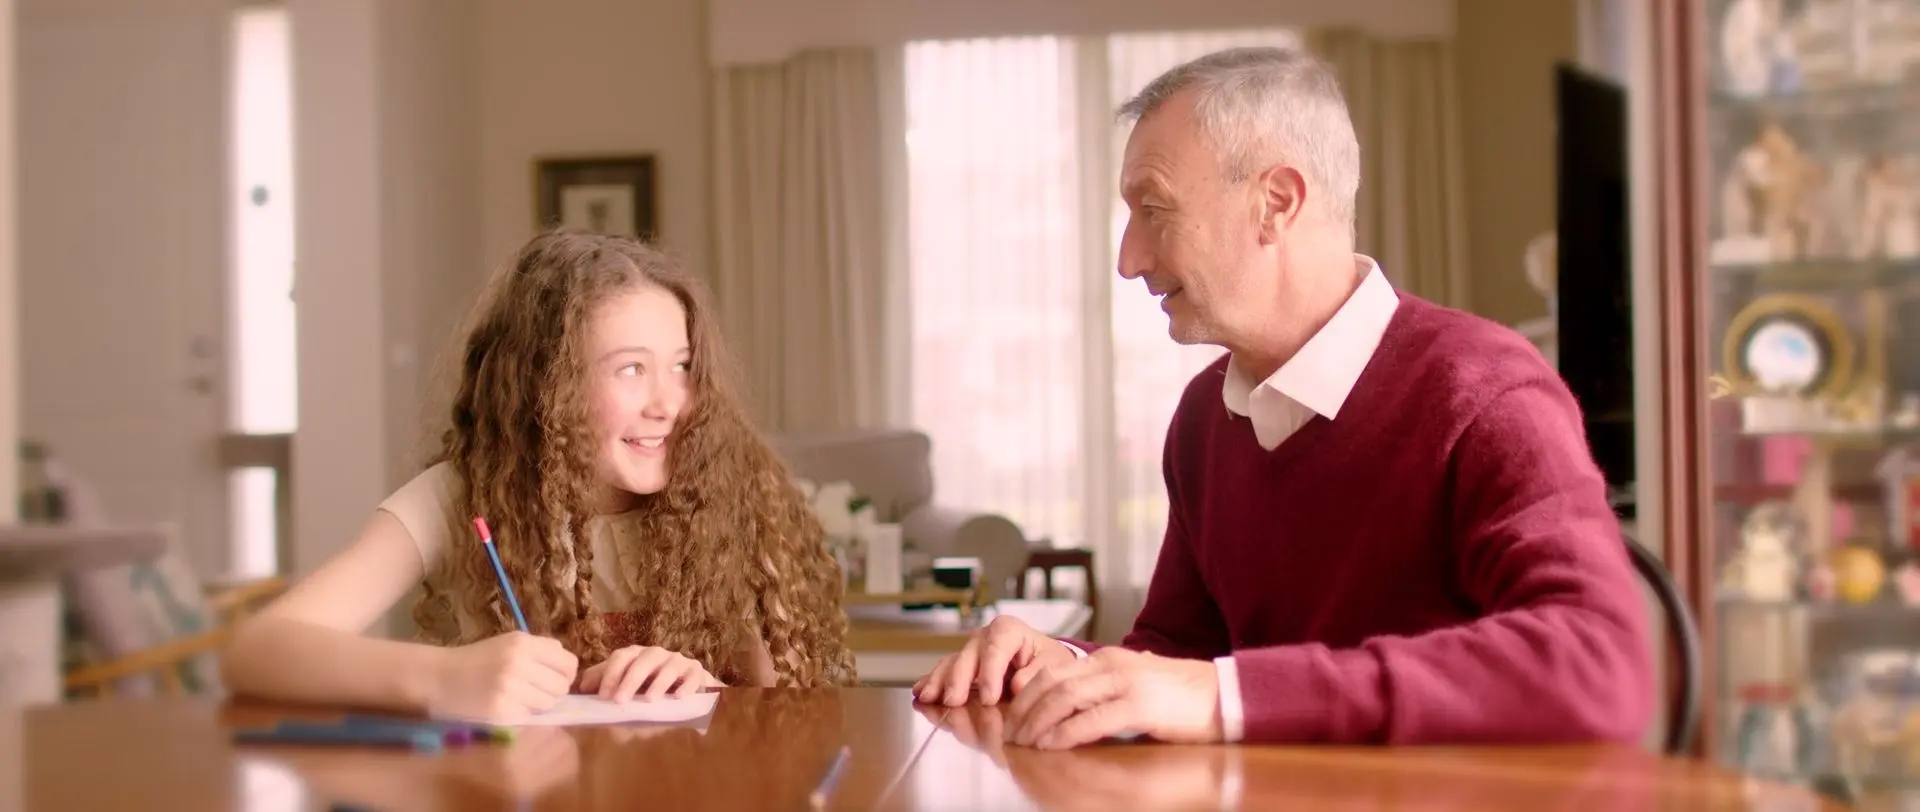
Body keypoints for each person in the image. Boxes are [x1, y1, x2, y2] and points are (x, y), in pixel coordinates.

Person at [913, 46, 1655, 748]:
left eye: (1154, 210)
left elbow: (1600, 662)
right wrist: (1067, 667)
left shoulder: (1484, 390)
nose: (1129, 259)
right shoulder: (1204, 419)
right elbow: (1179, 658)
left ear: (1276, 202)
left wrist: (1227, 698)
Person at [224, 230, 855, 721]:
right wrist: (445, 677)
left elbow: (781, 709)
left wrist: (708, 688)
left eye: (683, 367)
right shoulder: (461, 497)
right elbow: (257, 650)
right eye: (631, 370)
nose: (670, 402)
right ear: (545, 387)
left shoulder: (730, 488)